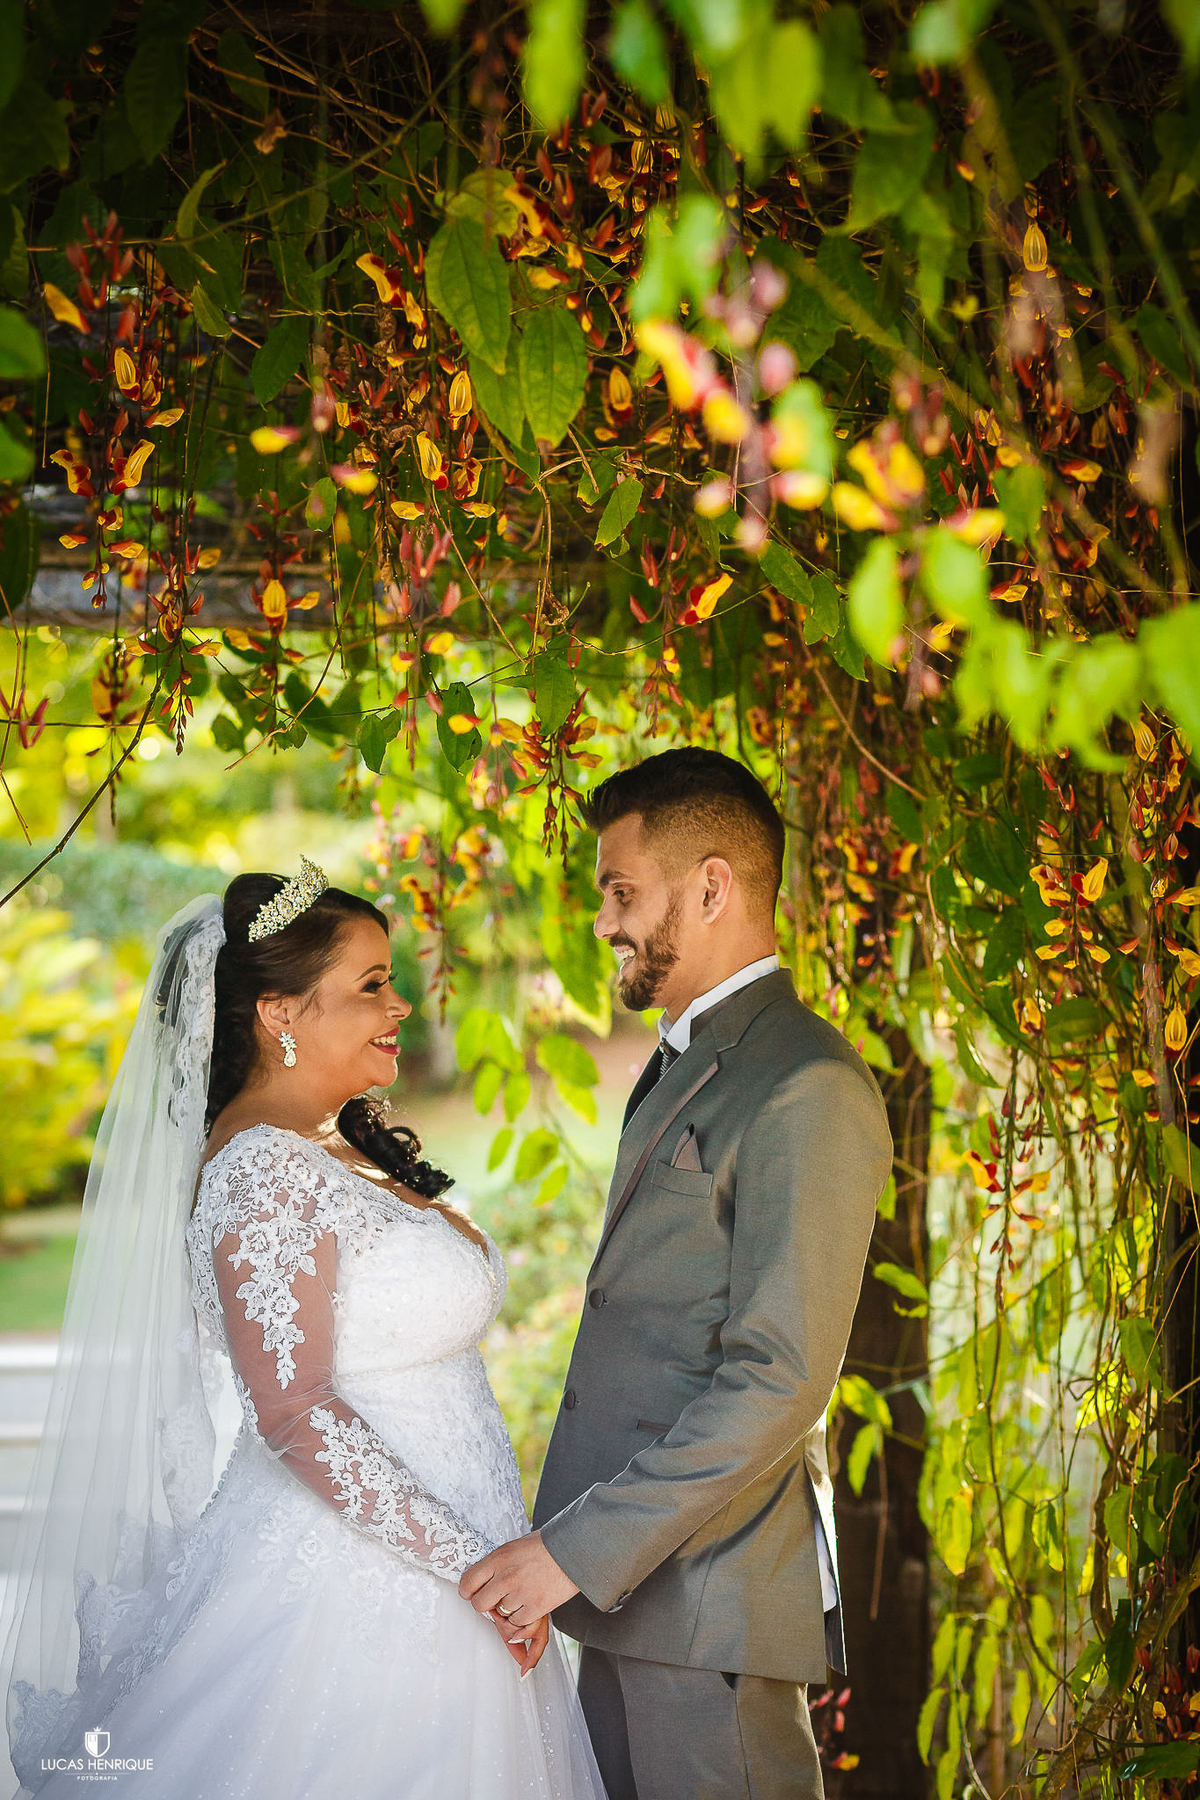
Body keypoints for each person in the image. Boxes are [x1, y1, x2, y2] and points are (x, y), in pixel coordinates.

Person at [2, 864, 605, 1800]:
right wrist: (471, 1567)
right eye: (370, 985)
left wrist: (487, 1567)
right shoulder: (262, 1172)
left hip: (455, 1559)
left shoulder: (329, 1144)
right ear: (280, 1014)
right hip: (358, 1587)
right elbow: (292, 1408)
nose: (400, 1004)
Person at [460, 749, 894, 1800]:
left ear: (711, 886)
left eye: (621, 892)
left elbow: (780, 1381)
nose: (604, 921)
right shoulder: (686, 1060)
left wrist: (576, 1548)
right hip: (631, 1599)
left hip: (709, 1611)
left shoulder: (808, 1084)